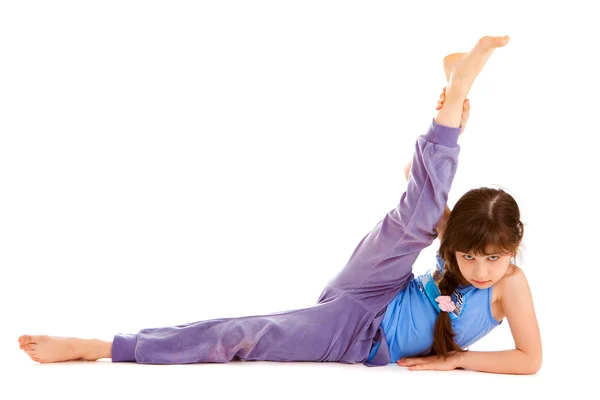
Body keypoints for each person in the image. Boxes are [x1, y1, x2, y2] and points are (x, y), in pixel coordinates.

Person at [18, 35, 542, 374]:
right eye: (469, 256)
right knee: (424, 216)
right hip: (373, 285)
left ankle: (105, 345)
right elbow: (414, 189)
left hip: (357, 334)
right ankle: (455, 97)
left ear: (514, 247)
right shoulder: (464, 248)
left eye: (491, 258)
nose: (477, 268)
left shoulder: (510, 285)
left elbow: (530, 360)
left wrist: (457, 363)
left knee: (243, 335)